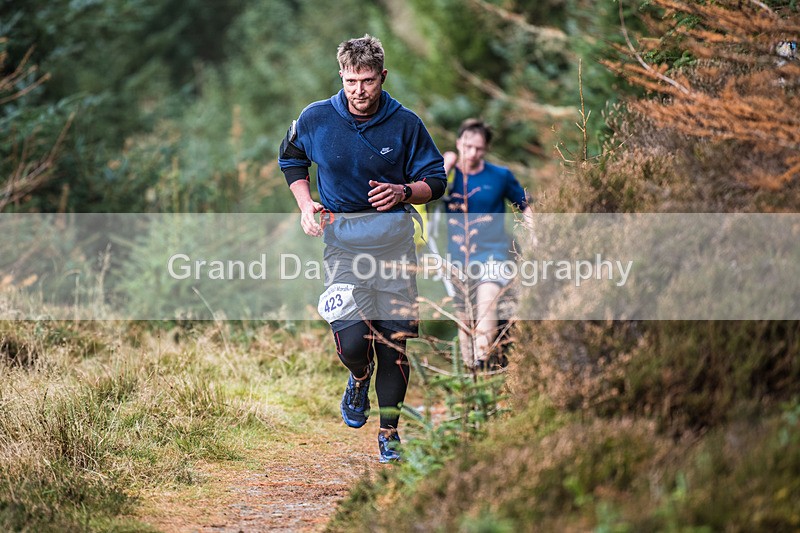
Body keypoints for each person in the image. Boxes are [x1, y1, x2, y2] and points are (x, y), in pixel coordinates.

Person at [278, 35, 446, 463]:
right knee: (354, 342)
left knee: (395, 341)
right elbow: (291, 159)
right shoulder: (315, 118)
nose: (359, 90)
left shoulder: (406, 123)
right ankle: (358, 378)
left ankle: (389, 432)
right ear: (341, 76)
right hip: (342, 247)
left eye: (368, 80)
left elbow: (437, 180)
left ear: (382, 77)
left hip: (394, 246)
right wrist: (305, 205)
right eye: (352, 80)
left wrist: (405, 190)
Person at [442, 118, 532, 370]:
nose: (472, 153)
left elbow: (525, 205)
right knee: (464, 318)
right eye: (467, 146)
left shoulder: (500, 176)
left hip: (494, 253)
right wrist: (446, 164)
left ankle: (481, 360)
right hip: (458, 257)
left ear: (486, 149)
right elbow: (427, 193)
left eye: (479, 148)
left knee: (488, 299)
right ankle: (473, 378)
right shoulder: (447, 175)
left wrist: (535, 234)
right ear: (459, 142)